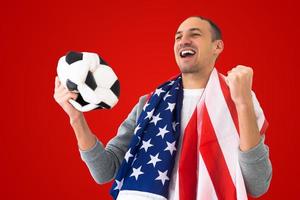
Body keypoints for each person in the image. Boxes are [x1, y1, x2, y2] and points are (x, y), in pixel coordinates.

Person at [54, 16, 272, 200]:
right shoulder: (149, 104)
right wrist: (75, 117)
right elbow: (105, 170)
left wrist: (242, 104)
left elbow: (257, 183)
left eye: (194, 34)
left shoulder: (239, 98)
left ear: (217, 46)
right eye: (178, 36)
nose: (183, 41)